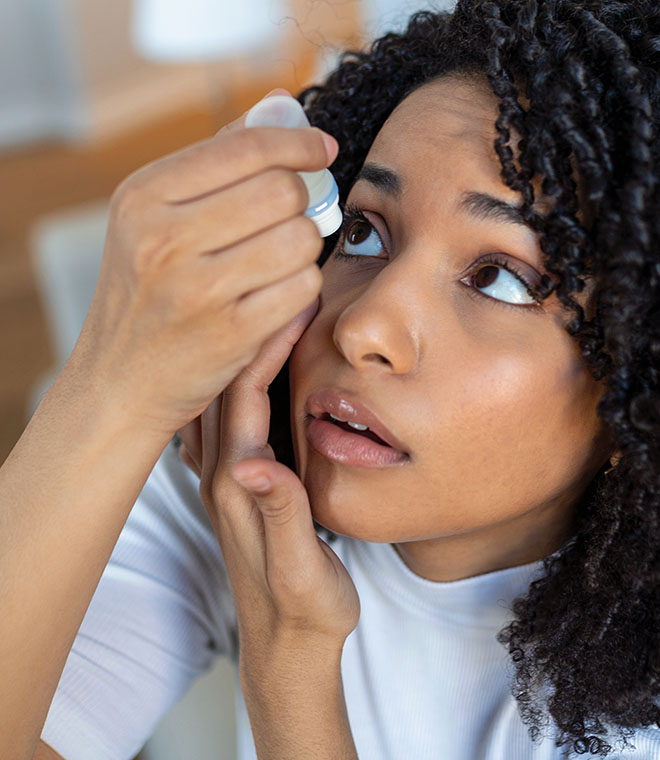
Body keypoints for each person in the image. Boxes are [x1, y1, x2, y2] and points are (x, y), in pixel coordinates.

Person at [2, 0, 659, 757]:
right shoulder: (234, 479)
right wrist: (109, 384)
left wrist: (291, 662)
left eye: (498, 278)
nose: (361, 326)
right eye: (364, 231)